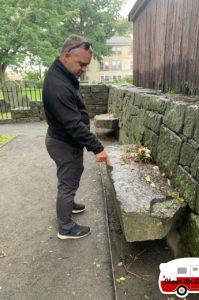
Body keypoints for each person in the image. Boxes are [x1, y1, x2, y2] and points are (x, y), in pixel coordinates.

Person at [43, 34, 111, 240]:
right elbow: (73, 125)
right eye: (81, 64)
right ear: (66, 56)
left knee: (69, 177)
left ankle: (69, 205)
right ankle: (65, 228)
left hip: (62, 140)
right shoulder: (58, 86)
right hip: (64, 142)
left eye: (87, 65)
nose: (84, 69)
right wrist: (98, 147)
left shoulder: (62, 74)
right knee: (68, 182)